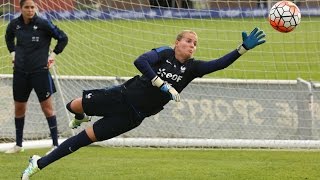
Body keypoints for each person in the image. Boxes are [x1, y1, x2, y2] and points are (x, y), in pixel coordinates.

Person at [21, 27, 265, 179]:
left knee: (83, 140)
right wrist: (162, 84)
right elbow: (140, 62)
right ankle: (81, 114)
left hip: (133, 117)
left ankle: (38, 164)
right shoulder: (163, 53)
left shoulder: (192, 68)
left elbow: (219, 64)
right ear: (177, 42)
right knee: (72, 106)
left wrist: (242, 48)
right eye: (188, 40)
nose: (192, 45)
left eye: (195, 43)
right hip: (120, 96)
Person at [4, 0, 68, 154]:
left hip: (40, 73)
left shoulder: (44, 24)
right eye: (27, 7)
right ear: (21, 8)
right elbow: (8, 38)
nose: (30, 10)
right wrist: (13, 54)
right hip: (20, 73)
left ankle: (55, 144)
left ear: (36, 8)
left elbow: (63, 38)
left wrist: (52, 56)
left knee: (47, 108)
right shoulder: (14, 24)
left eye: (33, 7)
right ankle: (18, 145)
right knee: (19, 108)